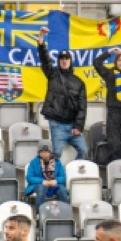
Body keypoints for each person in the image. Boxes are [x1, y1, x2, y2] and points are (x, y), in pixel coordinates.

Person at [37, 28, 88, 160]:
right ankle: (58, 179)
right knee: (56, 154)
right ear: (59, 61)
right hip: (57, 125)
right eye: (61, 59)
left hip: (73, 126)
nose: (64, 61)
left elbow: (83, 107)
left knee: (84, 151)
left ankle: (74, 174)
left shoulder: (79, 82)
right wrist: (41, 39)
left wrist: (78, 126)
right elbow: (45, 59)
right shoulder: (53, 75)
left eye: (67, 58)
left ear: (70, 61)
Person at [94, 47, 121, 163]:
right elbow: (96, 63)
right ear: (115, 63)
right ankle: (115, 165)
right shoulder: (110, 74)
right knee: (114, 143)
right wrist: (109, 52)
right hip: (114, 112)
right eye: (119, 60)